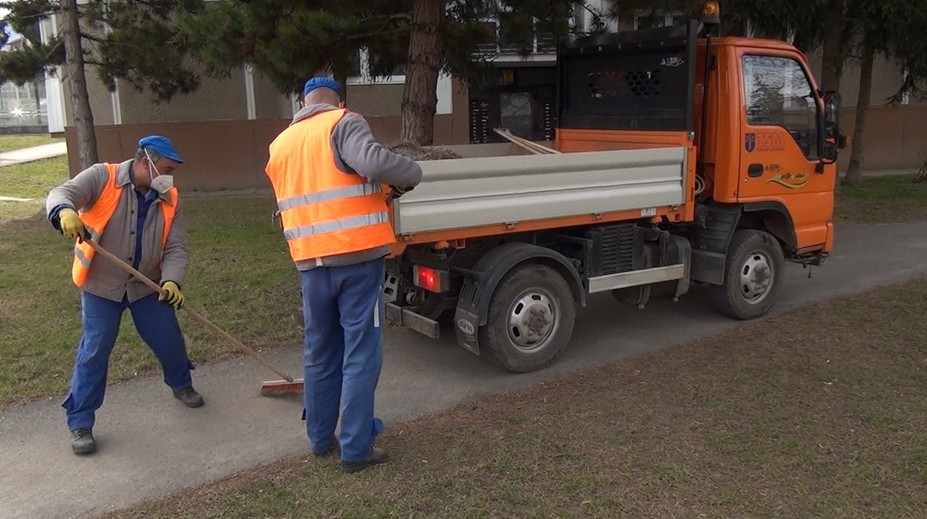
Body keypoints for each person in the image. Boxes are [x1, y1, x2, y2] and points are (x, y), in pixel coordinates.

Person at [265, 77, 422, 473]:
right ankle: (355, 448)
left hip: (310, 264)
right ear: (338, 100)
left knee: (319, 352)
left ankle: (320, 439)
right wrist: (412, 171)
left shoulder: (280, 144)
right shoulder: (343, 122)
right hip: (355, 260)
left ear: (301, 102)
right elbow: (370, 162)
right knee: (361, 352)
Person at [46, 135, 204, 456]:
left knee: (169, 339)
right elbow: (61, 193)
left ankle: (181, 384)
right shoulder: (102, 176)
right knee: (95, 350)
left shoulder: (169, 197)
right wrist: (64, 212)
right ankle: (80, 421)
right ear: (145, 161)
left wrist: (172, 280)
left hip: (146, 285)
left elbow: (175, 246)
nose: (169, 177)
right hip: (102, 286)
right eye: (166, 169)